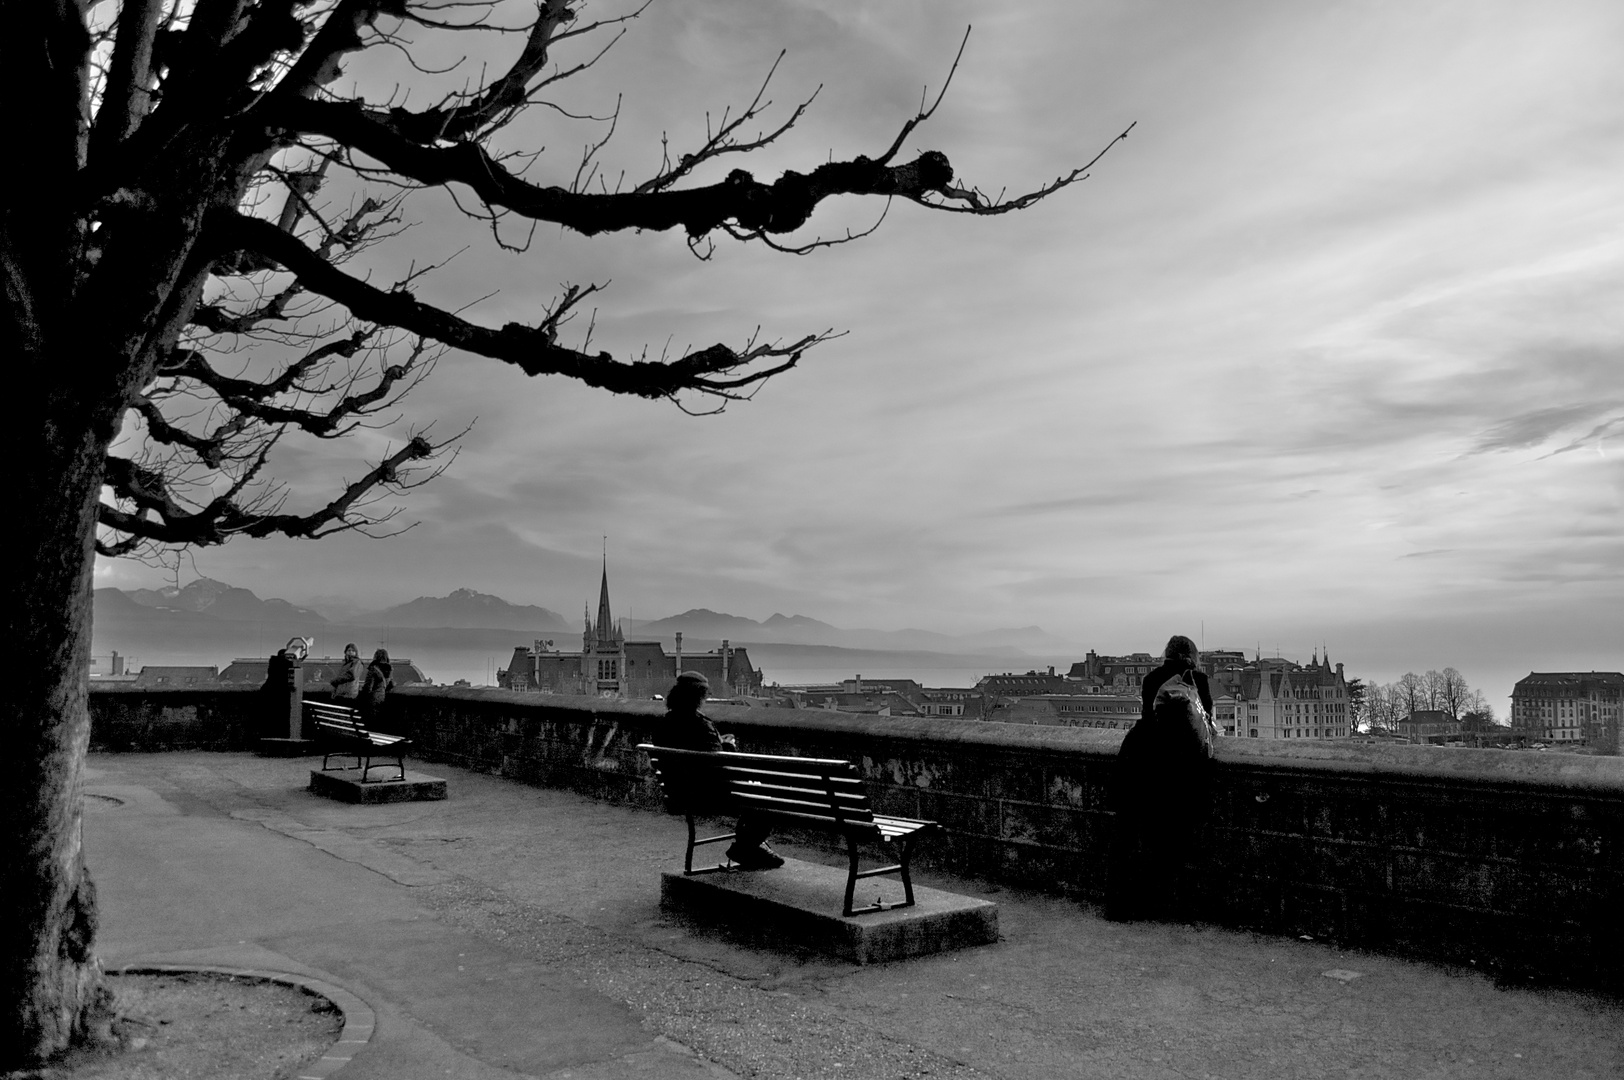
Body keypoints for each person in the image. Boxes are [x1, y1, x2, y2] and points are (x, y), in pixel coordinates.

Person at [1106, 635, 1217, 922]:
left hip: (1137, 754)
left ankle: (1121, 905)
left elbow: (1149, 715)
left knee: (1129, 834)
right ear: (1191, 655)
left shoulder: (1150, 678)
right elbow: (1206, 724)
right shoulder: (1197, 679)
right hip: (1172, 762)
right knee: (1169, 836)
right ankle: (1164, 906)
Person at [661, 671, 784, 870]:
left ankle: (747, 846)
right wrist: (730, 747)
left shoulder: (665, 724)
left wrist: (720, 745)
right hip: (709, 795)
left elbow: (703, 756)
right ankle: (746, 846)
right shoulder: (701, 726)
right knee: (764, 797)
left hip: (680, 793)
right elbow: (719, 767)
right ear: (700, 697)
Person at [357, 648, 394, 726]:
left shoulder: (373, 669)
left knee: (368, 722)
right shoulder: (389, 670)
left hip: (372, 699)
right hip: (382, 698)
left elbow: (368, 687)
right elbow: (390, 685)